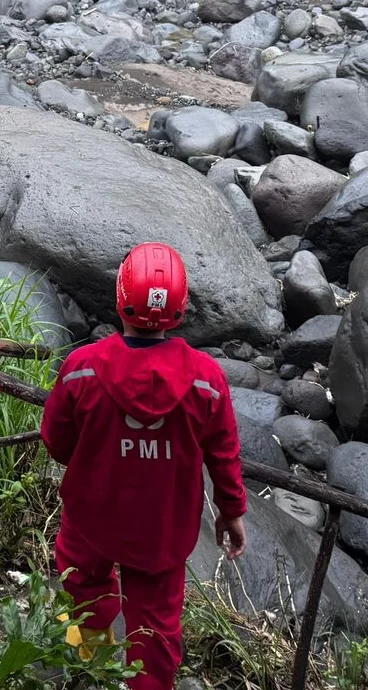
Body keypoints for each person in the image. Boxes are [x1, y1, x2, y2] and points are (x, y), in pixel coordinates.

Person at [41, 242, 247, 690]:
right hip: (163, 525)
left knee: (82, 575)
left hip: (93, 511)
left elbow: (56, 440)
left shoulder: (82, 369)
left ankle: (95, 650)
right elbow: (224, 452)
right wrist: (231, 511)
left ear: (120, 298)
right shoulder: (206, 380)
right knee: (155, 619)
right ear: (182, 309)